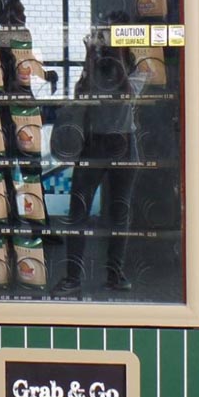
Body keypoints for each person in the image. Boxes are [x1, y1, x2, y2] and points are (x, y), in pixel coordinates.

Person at [53, 26, 138, 295]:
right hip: (94, 143)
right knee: (78, 211)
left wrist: (117, 58)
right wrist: (90, 58)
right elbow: (81, 94)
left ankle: (115, 273)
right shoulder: (93, 72)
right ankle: (72, 277)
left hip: (124, 143)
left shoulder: (134, 71)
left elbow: (126, 93)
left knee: (119, 212)